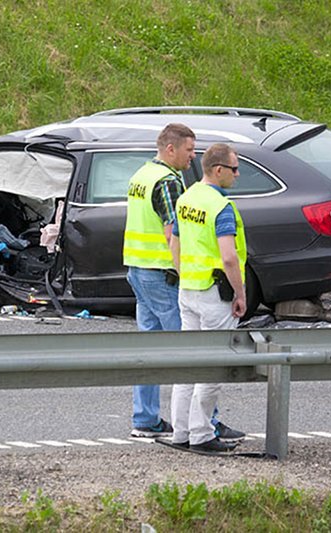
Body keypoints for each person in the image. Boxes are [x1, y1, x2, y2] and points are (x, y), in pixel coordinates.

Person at [168, 142, 248, 453]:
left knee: (188, 363)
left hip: (188, 290)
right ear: (218, 170)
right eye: (234, 169)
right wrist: (240, 293)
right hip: (215, 294)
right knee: (213, 366)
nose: (237, 175)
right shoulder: (220, 206)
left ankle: (181, 432)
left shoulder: (186, 198)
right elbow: (229, 257)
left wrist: (184, 275)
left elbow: (174, 243)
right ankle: (201, 435)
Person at [123, 123, 195, 438]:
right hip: (162, 273)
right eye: (189, 150)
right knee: (189, 350)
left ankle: (145, 419)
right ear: (170, 149)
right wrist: (186, 273)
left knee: (148, 349)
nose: (193, 156)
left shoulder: (141, 175)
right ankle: (200, 422)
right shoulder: (167, 182)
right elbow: (172, 234)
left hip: (138, 269)